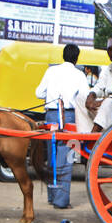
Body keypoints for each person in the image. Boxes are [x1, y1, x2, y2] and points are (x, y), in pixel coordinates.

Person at [34, 43, 90, 209]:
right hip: (70, 117)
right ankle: (61, 201)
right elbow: (85, 96)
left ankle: (52, 196)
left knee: (52, 156)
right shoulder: (79, 75)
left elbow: (38, 93)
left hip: (51, 116)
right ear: (76, 58)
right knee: (66, 159)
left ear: (63, 56)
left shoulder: (51, 71)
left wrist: (51, 94)